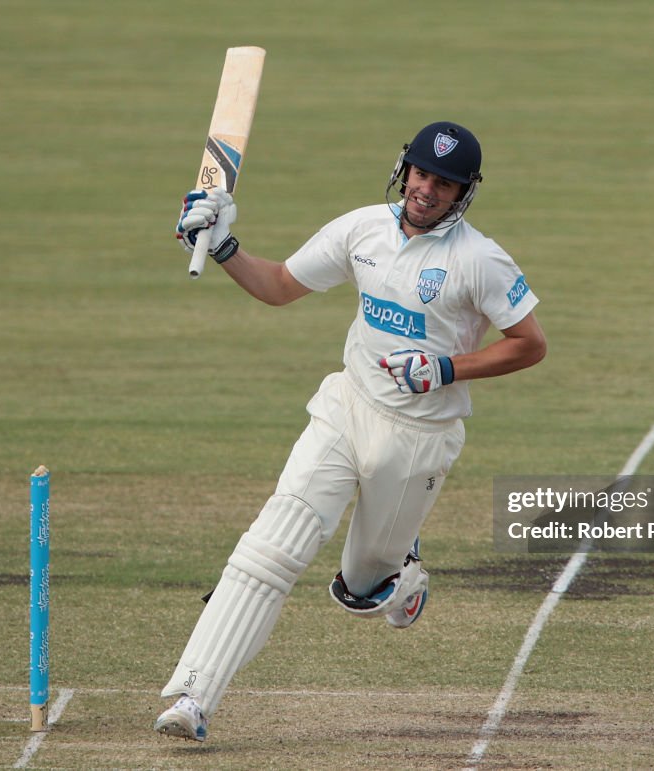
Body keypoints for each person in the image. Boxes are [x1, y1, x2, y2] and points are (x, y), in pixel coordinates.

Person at [154, 121, 546, 742]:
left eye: (444, 183)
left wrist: (445, 368)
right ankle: (193, 694)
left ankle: (400, 577)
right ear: (404, 170)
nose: (427, 190)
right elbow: (280, 287)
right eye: (421, 174)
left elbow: (530, 345)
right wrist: (224, 246)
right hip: (346, 406)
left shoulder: (480, 260)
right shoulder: (361, 228)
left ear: (463, 192)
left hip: (419, 438)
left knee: (360, 584)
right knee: (270, 548)